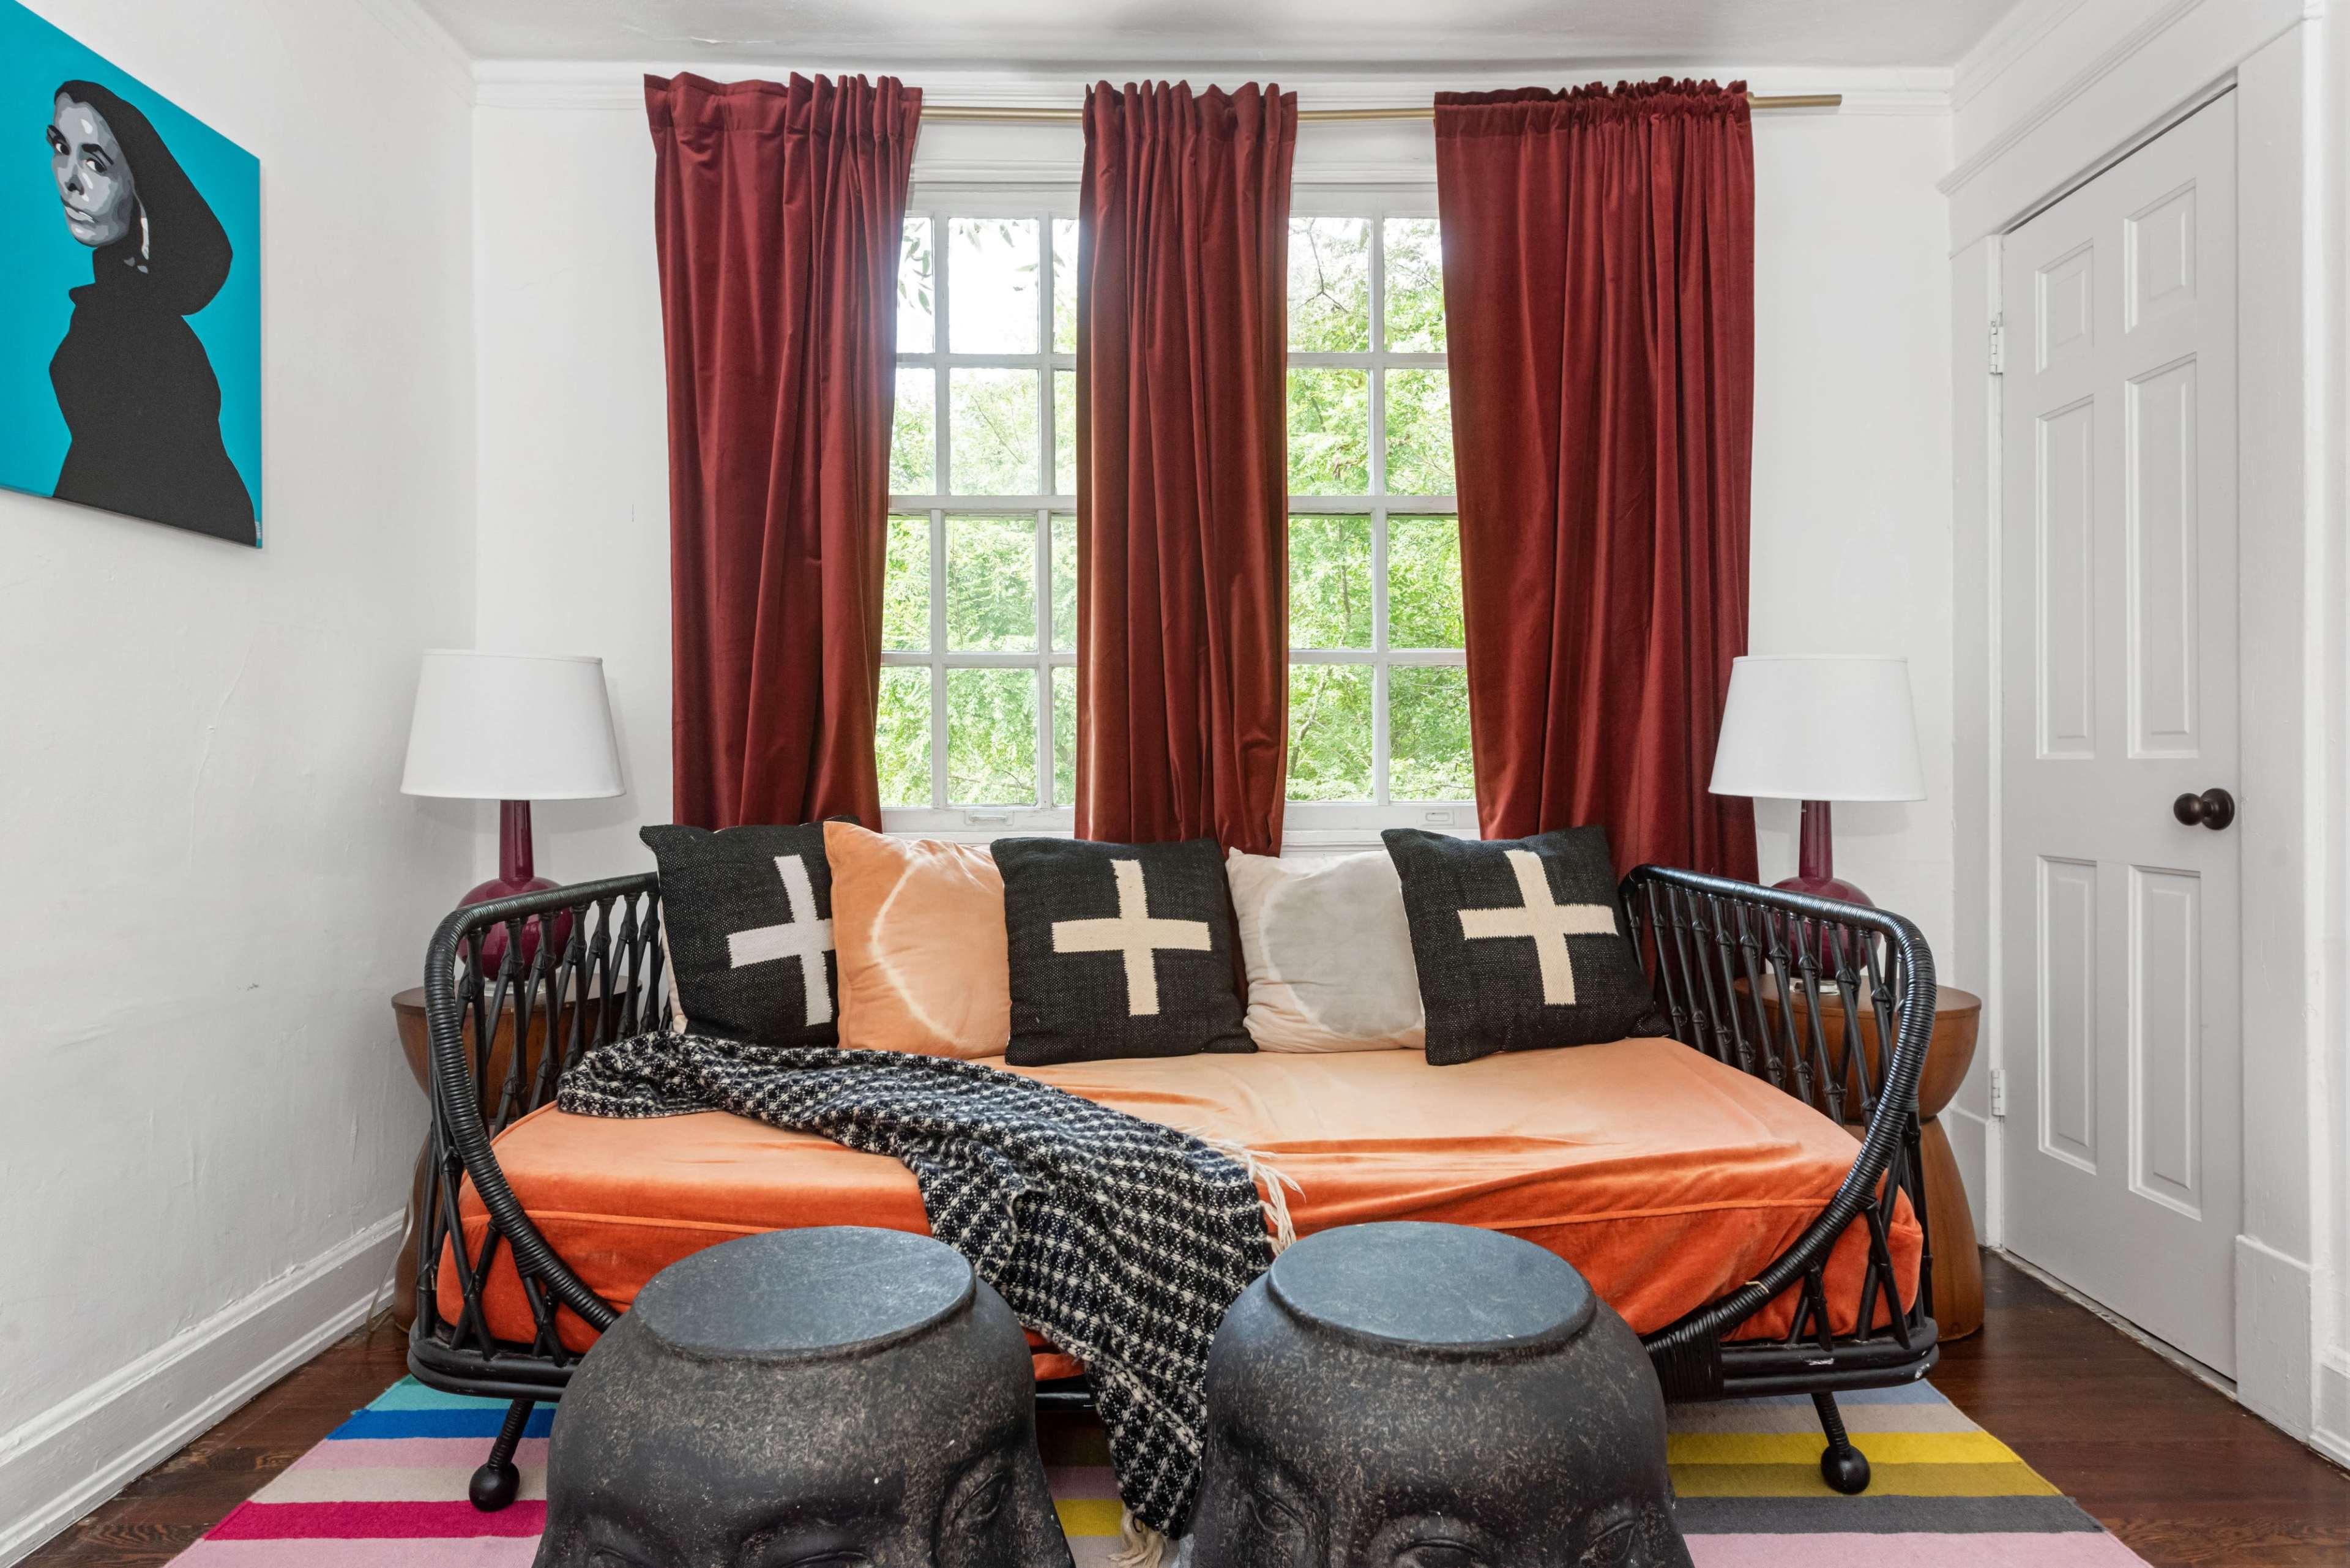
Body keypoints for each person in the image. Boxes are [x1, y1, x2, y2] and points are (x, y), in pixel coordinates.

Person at [45, 79, 255, 543]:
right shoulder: (120, 311)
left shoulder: (144, 329)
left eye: (95, 162)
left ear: (136, 190)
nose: (69, 177)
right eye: (61, 147)